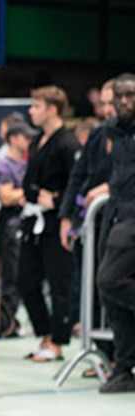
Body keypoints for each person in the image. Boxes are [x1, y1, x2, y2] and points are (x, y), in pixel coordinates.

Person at [17, 86, 81, 362]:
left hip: (58, 223)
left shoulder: (67, 144)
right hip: (34, 221)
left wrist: (56, 201)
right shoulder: (36, 141)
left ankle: (57, 342)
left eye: (36, 106)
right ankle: (44, 334)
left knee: (59, 284)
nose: (31, 111)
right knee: (26, 281)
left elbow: (76, 184)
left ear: (52, 109)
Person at [60, 80, 117, 365]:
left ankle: (121, 354)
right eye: (104, 103)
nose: (108, 109)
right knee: (90, 287)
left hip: (122, 223)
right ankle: (100, 354)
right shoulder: (97, 134)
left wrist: (110, 188)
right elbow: (78, 176)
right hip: (93, 225)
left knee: (114, 286)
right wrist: (66, 217)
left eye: (113, 102)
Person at [94, 73, 135, 392]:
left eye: (130, 96)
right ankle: (124, 367)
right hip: (116, 217)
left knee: (108, 281)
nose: (123, 102)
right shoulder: (111, 131)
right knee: (111, 297)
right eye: (118, 96)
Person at [0, 121, 38, 335]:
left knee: (27, 276)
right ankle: (7, 323)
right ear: (13, 138)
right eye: (24, 137)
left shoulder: (27, 165)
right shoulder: (4, 167)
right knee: (11, 278)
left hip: (27, 225)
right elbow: (6, 197)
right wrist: (28, 192)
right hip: (10, 227)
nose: (28, 141)